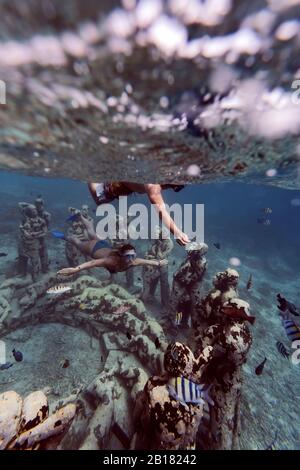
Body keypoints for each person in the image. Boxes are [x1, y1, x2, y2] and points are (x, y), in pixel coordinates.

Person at [54, 215, 168, 276]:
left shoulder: (134, 261)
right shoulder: (111, 261)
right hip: (94, 248)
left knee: (92, 233)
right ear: (121, 255)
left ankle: (80, 217)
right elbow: (93, 262)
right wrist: (75, 269)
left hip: (105, 245)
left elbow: (147, 262)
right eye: (129, 256)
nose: (131, 259)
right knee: (77, 242)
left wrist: (158, 263)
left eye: (133, 256)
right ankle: (64, 236)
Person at [88, 182, 190, 246]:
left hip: (119, 186)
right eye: (175, 187)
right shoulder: (153, 187)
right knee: (99, 200)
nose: (172, 189)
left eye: (178, 188)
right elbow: (161, 210)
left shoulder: (156, 182)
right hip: (109, 189)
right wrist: (177, 232)